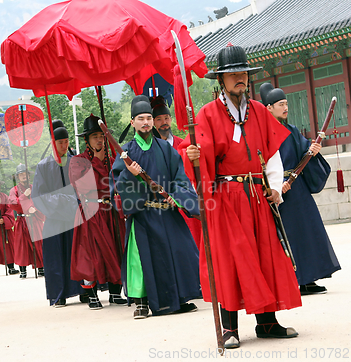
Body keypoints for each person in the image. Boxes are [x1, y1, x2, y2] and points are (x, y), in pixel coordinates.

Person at [182, 44, 301, 349]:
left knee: (265, 253)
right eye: (233, 74)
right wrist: (193, 155)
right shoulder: (207, 115)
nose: (240, 79)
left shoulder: (260, 111)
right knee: (231, 258)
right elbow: (201, 155)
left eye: (243, 74)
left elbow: (272, 152)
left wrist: (275, 186)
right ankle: (230, 327)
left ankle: (268, 322)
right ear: (220, 80)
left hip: (256, 193)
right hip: (226, 195)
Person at [111, 95, 202, 319]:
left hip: (167, 209)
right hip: (143, 213)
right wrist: (130, 175)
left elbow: (181, 178)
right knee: (141, 260)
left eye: (149, 118)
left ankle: (179, 297)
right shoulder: (125, 152)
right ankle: (141, 302)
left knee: (180, 250)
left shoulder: (165, 148)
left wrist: (177, 196)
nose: (146, 123)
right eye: (141, 118)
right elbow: (115, 184)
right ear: (132, 122)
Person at [260, 83, 340, 295]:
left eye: (286, 104)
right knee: (290, 235)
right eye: (281, 104)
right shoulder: (263, 132)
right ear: (269, 108)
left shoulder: (291, 130)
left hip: (297, 189)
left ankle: (309, 277)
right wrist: (276, 185)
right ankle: (296, 278)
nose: (286, 108)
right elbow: (263, 163)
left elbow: (304, 151)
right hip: (279, 193)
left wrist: (312, 150)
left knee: (309, 230)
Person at [69, 114, 127, 309]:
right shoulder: (78, 161)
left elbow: (120, 183)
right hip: (90, 212)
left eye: (102, 136)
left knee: (115, 250)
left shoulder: (112, 160)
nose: (100, 140)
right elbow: (83, 187)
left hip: (110, 211)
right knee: (91, 254)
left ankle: (114, 292)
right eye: (95, 136)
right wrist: (96, 161)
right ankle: (91, 294)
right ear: (87, 140)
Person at [31, 124, 83, 307]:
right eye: (60, 142)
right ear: (53, 143)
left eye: (66, 141)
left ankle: (84, 289)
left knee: (79, 253)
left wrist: (73, 204)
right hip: (54, 218)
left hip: (75, 215)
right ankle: (58, 293)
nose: (64, 145)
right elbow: (38, 194)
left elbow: (84, 189)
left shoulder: (76, 161)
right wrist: (60, 203)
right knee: (55, 256)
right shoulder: (44, 166)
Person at [150, 95, 202, 247]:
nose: (164, 123)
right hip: (163, 207)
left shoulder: (184, 144)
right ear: (153, 122)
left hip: (186, 203)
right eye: (159, 119)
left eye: (166, 118)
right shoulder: (151, 149)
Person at [9, 164, 45, 279]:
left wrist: (35, 208)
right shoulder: (14, 190)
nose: (23, 176)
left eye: (25, 174)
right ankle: (23, 269)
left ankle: (40, 267)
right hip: (22, 220)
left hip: (34, 218)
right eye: (21, 174)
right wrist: (24, 196)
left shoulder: (35, 188)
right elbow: (13, 204)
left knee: (38, 244)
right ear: (17, 177)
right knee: (21, 245)